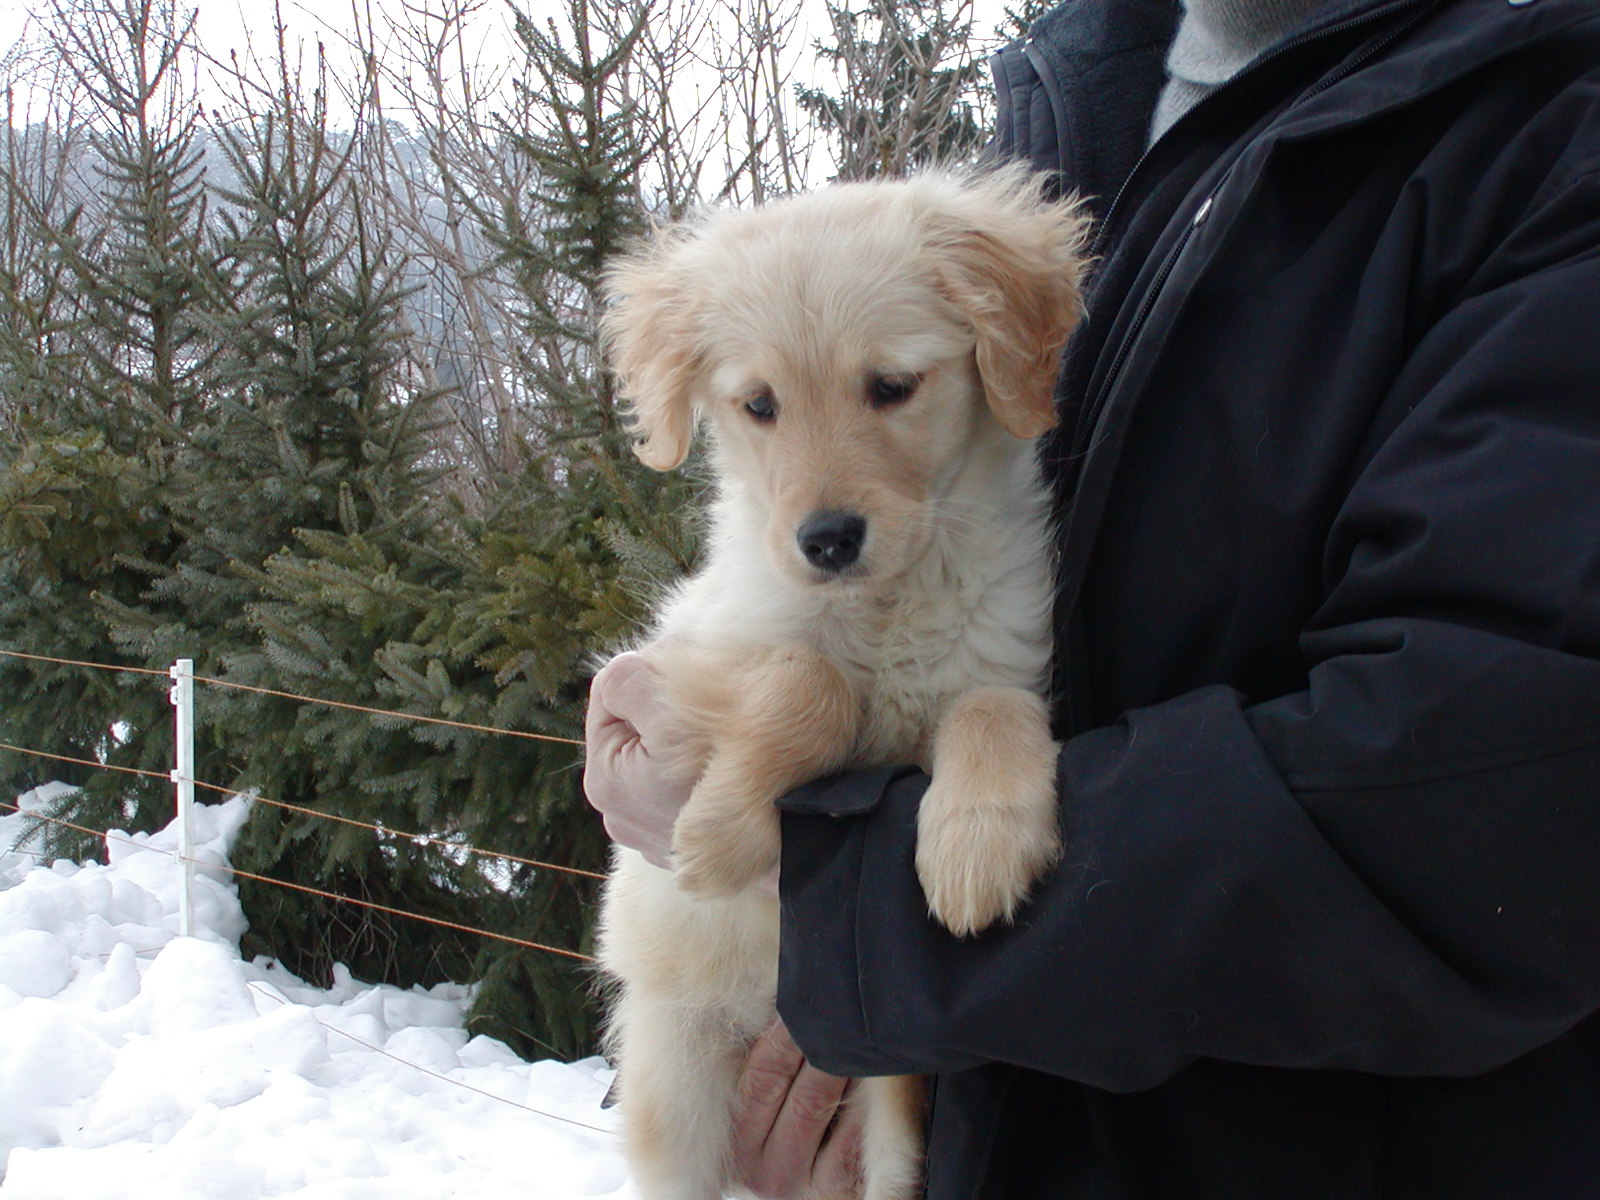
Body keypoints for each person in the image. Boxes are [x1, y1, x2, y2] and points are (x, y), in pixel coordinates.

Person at [585, 0, 1600, 1194]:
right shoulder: (1082, 109)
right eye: (760, 408)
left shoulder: (1548, 140)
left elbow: (1485, 800)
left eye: (889, 389)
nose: (820, 482)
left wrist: (847, 912)